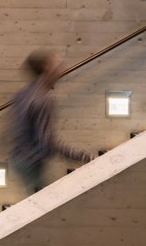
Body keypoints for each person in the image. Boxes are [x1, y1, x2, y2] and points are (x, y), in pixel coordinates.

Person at [10, 50, 93, 192]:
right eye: (58, 66)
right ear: (48, 70)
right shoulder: (42, 99)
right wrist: (83, 157)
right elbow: (48, 142)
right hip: (31, 163)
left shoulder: (24, 94)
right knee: (44, 203)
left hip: (20, 159)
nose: (62, 70)